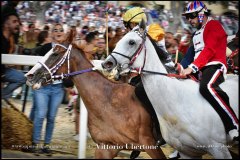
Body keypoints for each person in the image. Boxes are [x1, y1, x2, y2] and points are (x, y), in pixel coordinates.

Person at [180, 1, 238, 141]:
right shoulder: (195, 34)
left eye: (191, 16)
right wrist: (179, 67)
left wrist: (192, 67)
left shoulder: (213, 25)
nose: (189, 20)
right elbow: (189, 56)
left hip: (214, 65)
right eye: (187, 17)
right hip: (200, 68)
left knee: (206, 86)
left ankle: (233, 126)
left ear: (201, 15)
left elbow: (210, 50)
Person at [122, 6, 169, 146]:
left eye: (128, 25)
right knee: (128, 88)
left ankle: (159, 130)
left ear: (135, 22)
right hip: (147, 73)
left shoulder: (153, 29)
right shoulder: (136, 35)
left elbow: (154, 54)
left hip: (162, 71)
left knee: (140, 91)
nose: (126, 28)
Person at [28, 23, 65, 155]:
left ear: (64, 34)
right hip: (42, 87)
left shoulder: (67, 51)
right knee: (40, 114)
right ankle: (35, 143)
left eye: (61, 30)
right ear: (52, 34)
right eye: (55, 30)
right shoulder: (44, 48)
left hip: (58, 88)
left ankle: (46, 145)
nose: (58, 32)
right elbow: (33, 64)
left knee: (51, 117)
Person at [1, 6, 26, 106]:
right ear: (6, 24)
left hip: (3, 71)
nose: (17, 24)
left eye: (18, 22)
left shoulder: (10, 40)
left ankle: (2, 96)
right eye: (14, 22)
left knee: (23, 77)